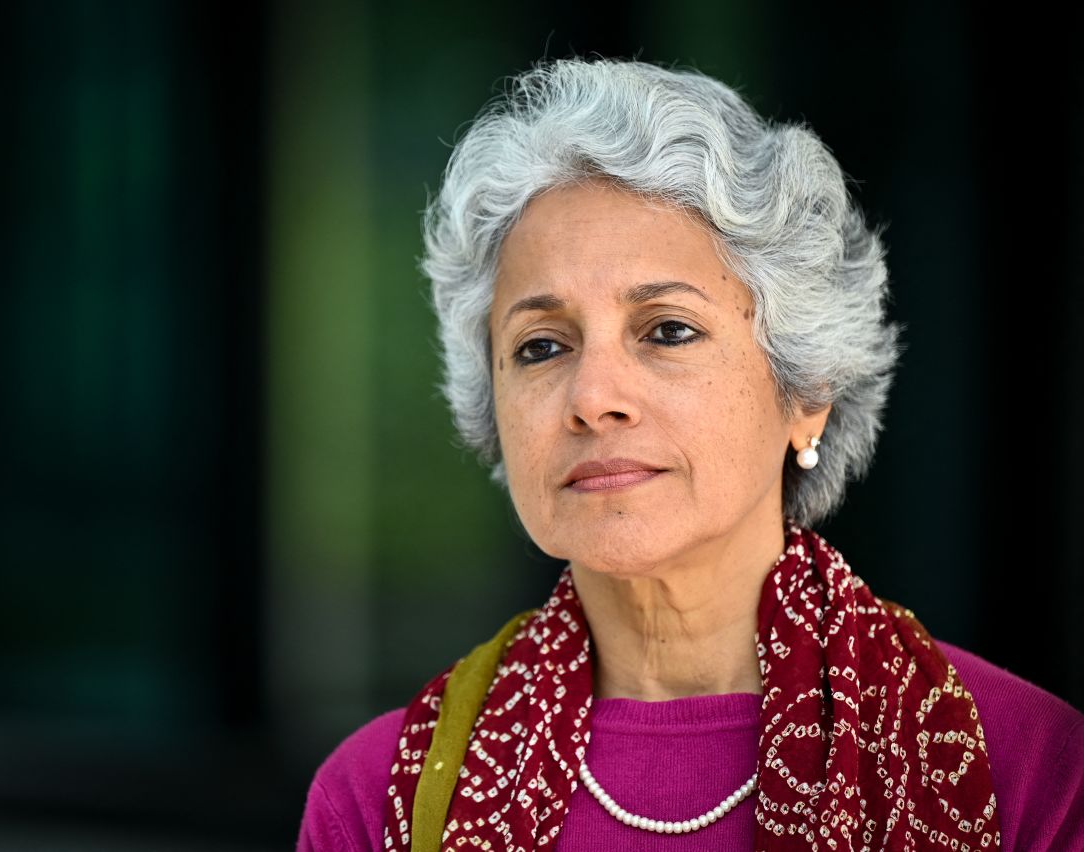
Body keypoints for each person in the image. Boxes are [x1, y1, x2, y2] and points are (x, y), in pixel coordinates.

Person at [296, 56, 1083, 851]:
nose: (592, 396)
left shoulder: (1028, 771)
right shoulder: (380, 799)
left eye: (667, 330)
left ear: (805, 391)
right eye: (541, 347)